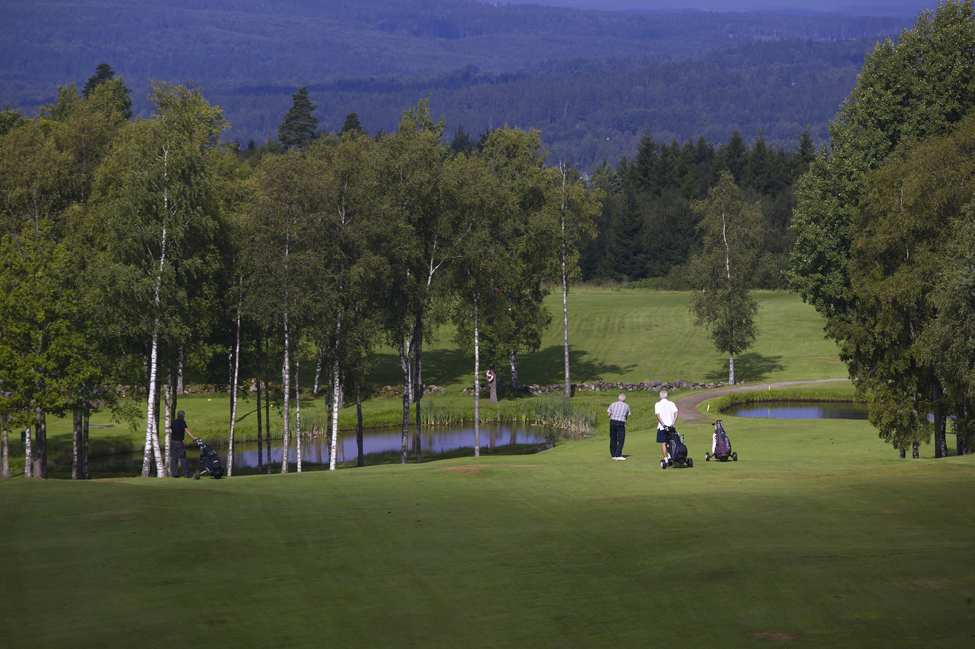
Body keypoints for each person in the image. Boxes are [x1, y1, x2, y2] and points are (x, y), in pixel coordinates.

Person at [168, 409, 199, 478]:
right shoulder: (182, 422)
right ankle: (186, 474)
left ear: (177, 415)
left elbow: (170, 429)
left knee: (174, 458)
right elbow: (186, 429)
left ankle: (174, 474)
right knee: (183, 458)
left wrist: (174, 433)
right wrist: (193, 437)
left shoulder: (174, 422)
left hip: (173, 442)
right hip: (179, 442)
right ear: (183, 416)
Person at [655, 390, 679, 462]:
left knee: (663, 444)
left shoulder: (657, 404)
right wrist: (673, 422)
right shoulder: (671, 403)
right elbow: (676, 412)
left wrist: (663, 424)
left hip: (662, 427)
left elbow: (658, 415)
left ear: (660, 396)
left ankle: (666, 459)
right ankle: (670, 456)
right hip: (671, 427)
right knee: (670, 442)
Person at [606, 393, 631, 461]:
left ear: (618, 398)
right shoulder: (626, 406)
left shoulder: (613, 404)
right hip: (620, 423)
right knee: (621, 439)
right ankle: (618, 455)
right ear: (624, 399)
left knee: (613, 438)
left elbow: (609, 414)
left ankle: (613, 454)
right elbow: (626, 416)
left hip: (613, 422)